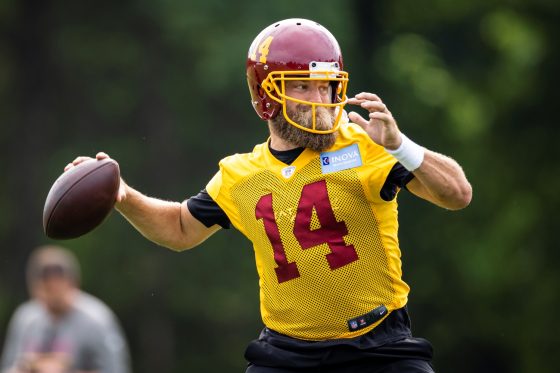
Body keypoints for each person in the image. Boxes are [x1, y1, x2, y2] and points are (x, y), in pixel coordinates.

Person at [65, 18, 472, 373]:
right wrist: (122, 194)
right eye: (303, 87)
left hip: (379, 346)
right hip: (287, 355)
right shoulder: (241, 174)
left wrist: (401, 145)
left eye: (328, 87)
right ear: (266, 94)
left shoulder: (366, 145)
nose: (321, 101)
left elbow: (457, 194)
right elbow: (179, 228)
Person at [1, 245, 131, 373]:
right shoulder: (26, 319)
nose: (51, 296)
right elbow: (8, 366)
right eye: (46, 289)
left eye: (55, 289)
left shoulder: (96, 320)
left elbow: (116, 368)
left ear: (73, 283)